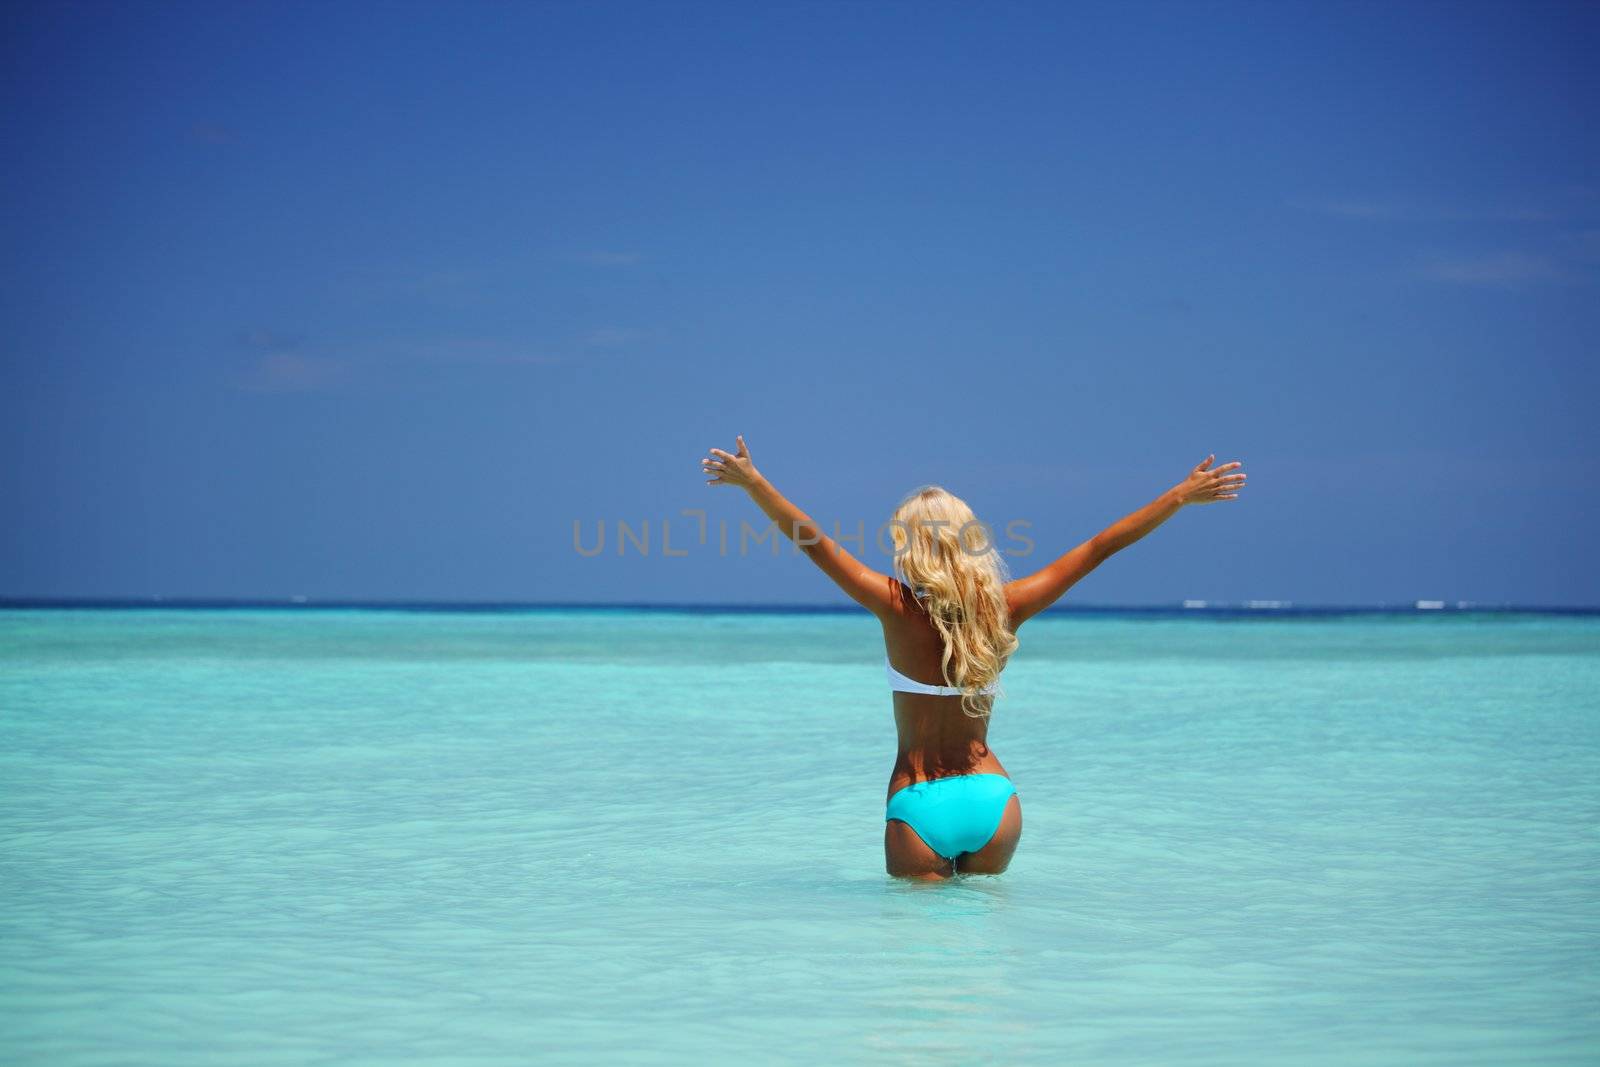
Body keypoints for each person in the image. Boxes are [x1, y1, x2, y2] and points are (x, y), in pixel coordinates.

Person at [700, 436, 1246, 880]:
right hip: (994, 798)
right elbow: (1101, 545)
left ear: (908, 544)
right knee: (983, 950)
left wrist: (754, 484)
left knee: (920, 965)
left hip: (919, 802)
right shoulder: (1009, 606)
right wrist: (1180, 496)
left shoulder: (894, 605)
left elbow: (813, 541)